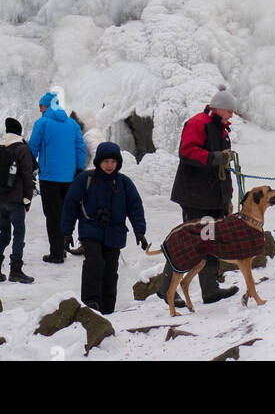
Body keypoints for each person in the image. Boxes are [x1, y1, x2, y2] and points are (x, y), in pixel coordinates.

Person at [159, 87, 238, 305]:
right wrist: (214, 158)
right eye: (230, 111)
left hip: (212, 198)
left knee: (208, 241)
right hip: (196, 197)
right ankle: (167, 288)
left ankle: (210, 289)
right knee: (191, 243)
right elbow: (187, 152)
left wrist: (227, 198)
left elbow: (223, 168)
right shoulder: (198, 124)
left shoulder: (221, 128)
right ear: (219, 108)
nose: (232, 115)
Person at [60, 142, 148, 315]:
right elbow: (70, 204)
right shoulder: (86, 180)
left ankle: (108, 308)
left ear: (118, 163)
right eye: (106, 161)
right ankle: (91, 302)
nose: (109, 165)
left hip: (114, 233)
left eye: (113, 162)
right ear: (99, 162)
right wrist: (66, 231)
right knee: (94, 262)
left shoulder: (124, 183)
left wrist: (140, 232)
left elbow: (135, 207)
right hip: (90, 229)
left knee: (110, 269)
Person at [28, 91, 86, 264]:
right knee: (66, 212)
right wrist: (78, 169)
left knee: (52, 215)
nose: (40, 110)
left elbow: (32, 148)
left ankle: (56, 253)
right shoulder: (73, 124)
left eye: (41, 106)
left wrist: (31, 168)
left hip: (49, 177)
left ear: (46, 106)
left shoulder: (42, 123)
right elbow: (80, 148)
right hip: (69, 177)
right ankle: (64, 245)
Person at [0, 117, 36, 284]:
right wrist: (27, 198)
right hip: (16, 200)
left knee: (4, 234)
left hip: (0, 199)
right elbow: (27, 174)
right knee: (18, 233)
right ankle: (15, 269)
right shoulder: (22, 149)